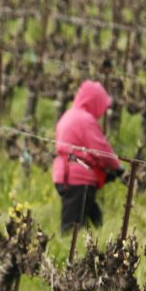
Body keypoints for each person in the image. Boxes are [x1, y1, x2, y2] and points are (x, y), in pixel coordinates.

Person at [51, 80, 124, 234]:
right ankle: (67, 254)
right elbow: (100, 148)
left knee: (95, 218)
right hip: (78, 178)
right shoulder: (85, 120)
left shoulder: (69, 115)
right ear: (93, 101)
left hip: (64, 174)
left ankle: (93, 247)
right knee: (72, 226)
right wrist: (116, 167)